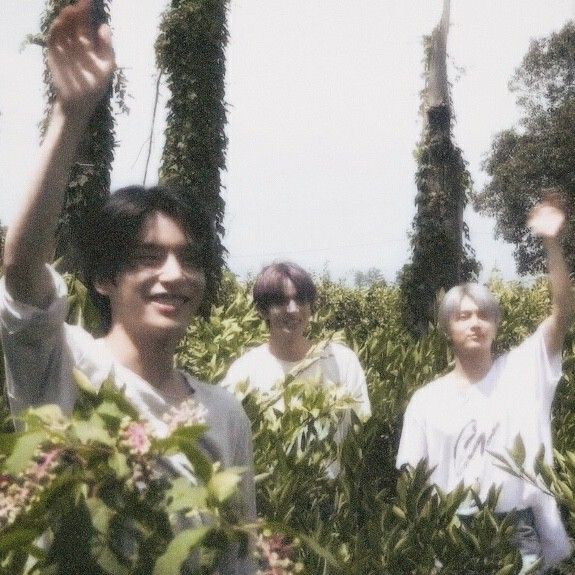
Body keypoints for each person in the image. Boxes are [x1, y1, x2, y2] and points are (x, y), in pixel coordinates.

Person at [0, 1, 255, 573]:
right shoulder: (63, 364)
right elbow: (20, 271)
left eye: (188, 259)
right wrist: (71, 116)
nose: (173, 275)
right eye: (148, 258)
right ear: (103, 278)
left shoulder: (224, 414)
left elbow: (238, 554)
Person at [396, 196, 574, 573]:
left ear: (496, 325)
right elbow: (414, 483)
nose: (475, 323)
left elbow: (562, 311)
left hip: (517, 529)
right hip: (454, 532)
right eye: (463, 316)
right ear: (447, 329)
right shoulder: (426, 401)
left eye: (484, 315)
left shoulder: (523, 371)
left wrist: (551, 242)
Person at [221, 262, 371, 475]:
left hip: (334, 499)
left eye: (301, 300)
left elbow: (360, 433)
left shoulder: (342, 361)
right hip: (273, 501)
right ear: (262, 310)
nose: (293, 310)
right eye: (281, 301)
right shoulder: (243, 372)